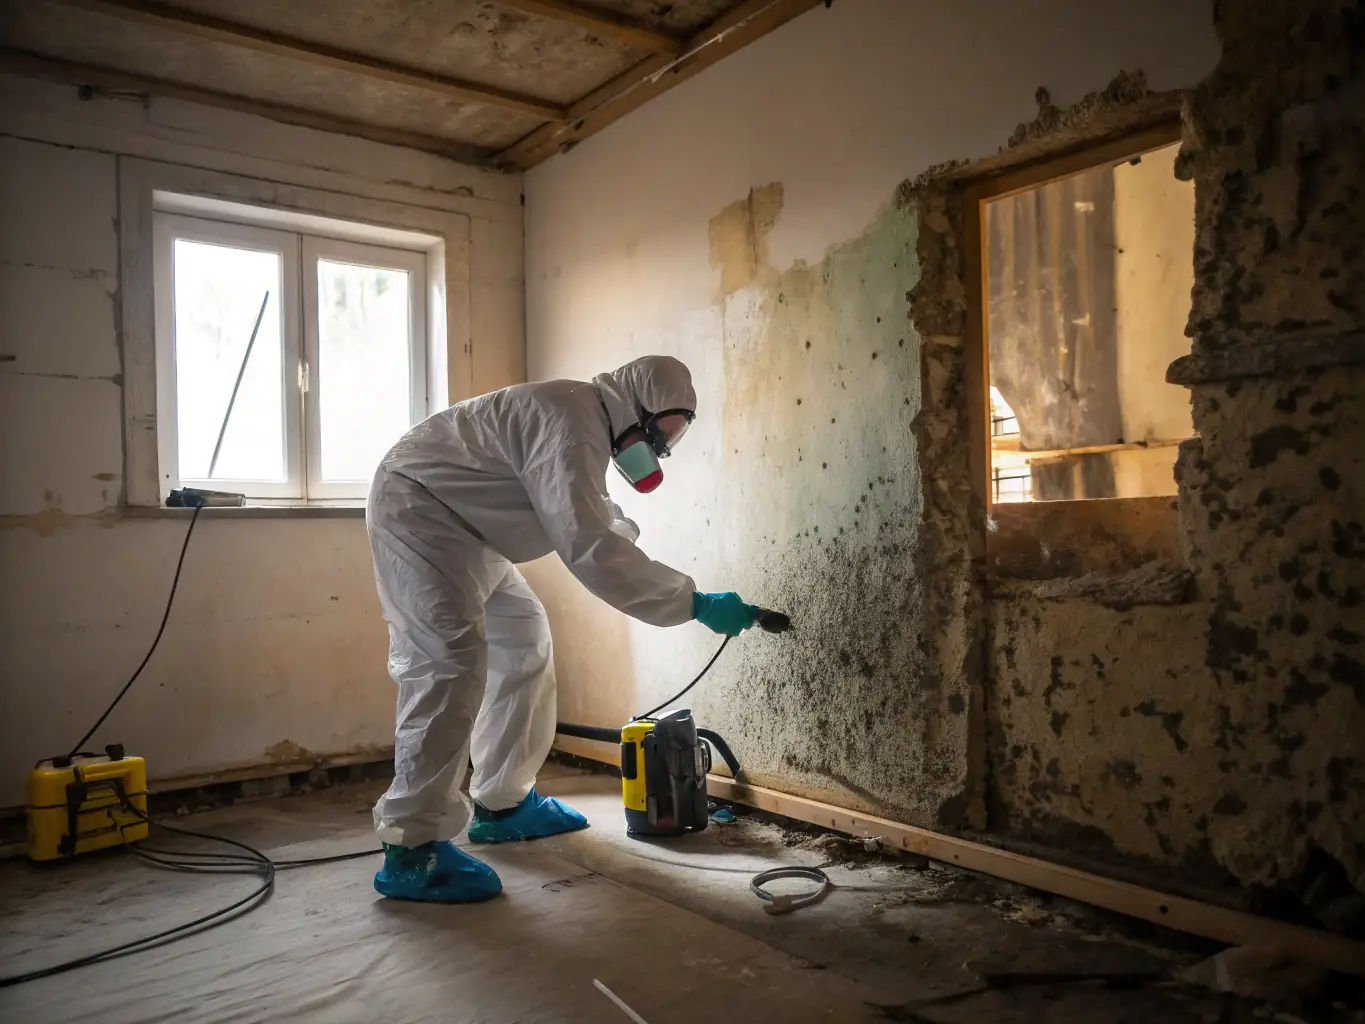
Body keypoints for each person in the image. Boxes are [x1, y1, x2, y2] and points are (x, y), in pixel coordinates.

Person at [365, 355, 762, 903]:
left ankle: (502, 803)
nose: (655, 453)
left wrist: (648, 560)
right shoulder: (571, 422)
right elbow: (591, 547)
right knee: (448, 663)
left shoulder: (586, 420)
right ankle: (411, 847)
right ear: (636, 410)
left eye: (666, 445)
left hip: (467, 527)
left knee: (524, 637)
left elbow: (588, 513)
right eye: (656, 437)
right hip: (418, 508)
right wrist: (691, 602)